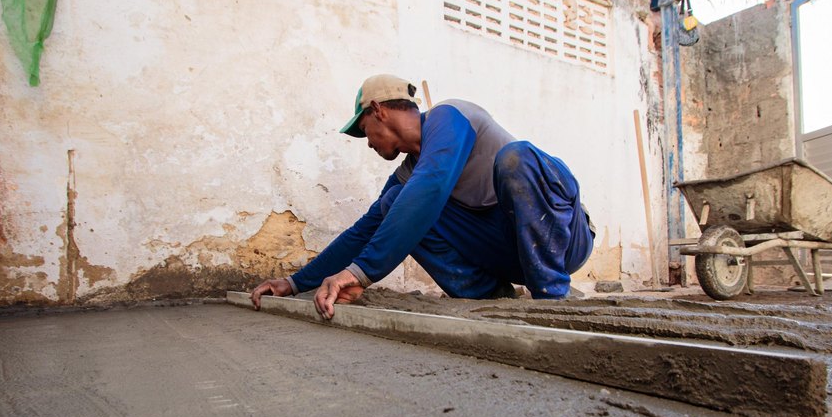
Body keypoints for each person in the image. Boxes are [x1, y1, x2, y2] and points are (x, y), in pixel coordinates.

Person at [251, 74, 594, 319]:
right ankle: (492, 296)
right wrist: (294, 283)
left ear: (378, 110)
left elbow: (430, 185)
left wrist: (363, 273)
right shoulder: (409, 172)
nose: (367, 142)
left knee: (516, 158)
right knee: (393, 204)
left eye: (364, 131)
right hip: (508, 253)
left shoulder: (449, 117)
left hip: (563, 240)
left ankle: (552, 295)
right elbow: (365, 230)